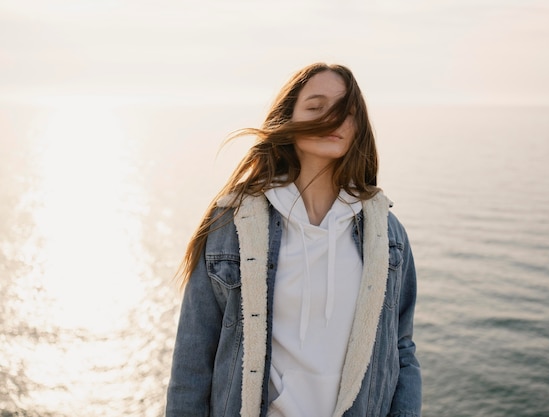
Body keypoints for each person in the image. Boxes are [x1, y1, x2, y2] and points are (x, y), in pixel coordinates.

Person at [165, 62, 422, 417]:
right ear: (289, 120)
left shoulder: (387, 234)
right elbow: (193, 358)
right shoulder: (232, 224)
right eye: (316, 108)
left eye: (346, 112)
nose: (332, 120)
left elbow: (401, 349)